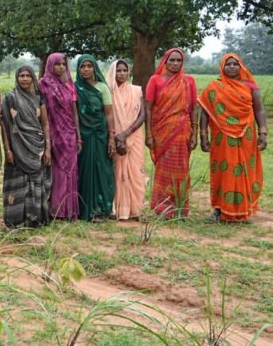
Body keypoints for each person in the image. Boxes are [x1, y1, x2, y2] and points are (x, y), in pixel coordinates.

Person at [199, 54, 267, 222]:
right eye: (227, 64)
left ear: (241, 66)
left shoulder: (251, 86)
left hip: (246, 135)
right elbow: (205, 112)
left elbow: (259, 110)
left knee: (245, 169)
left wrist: (263, 133)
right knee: (223, 170)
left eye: (234, 64)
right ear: (222, 67)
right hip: (222, 137)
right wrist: (203, 135)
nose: (231, 67)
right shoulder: (215, 86)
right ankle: (218, 209)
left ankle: (245, 210)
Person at [145, 48, 198, 218]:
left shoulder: (188, 81)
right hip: (161, 131)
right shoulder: (155, 80)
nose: (175, 64)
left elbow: (193, 109)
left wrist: (195, 133)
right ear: (165, 61)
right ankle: (162, 208)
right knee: (163, 170)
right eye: (172, 60)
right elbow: (148, 108)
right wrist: (148, 134)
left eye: (179, 61)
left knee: (181, 169)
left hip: (183, 131)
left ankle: (180, 208)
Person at [1, 66, 52, 228]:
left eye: (28, 76)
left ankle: (35, 218)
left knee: (36, 182)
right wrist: (7, 149)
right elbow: (4, 125)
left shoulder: (38, 97)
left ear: (33, 78)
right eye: (21, 76)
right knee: (16, 184)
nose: (24, 79)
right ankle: (15, 220)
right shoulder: (10, 98)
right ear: (17, 78)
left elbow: (44, 123)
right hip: (16, 147)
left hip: (36, 147)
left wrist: (48, 148)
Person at [38, 53, 80, 221]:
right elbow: (41, 110)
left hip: (69, 134)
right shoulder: (43, 84)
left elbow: (74, 113)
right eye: (57, 64)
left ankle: (70, 210)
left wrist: (78, 136)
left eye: (64, 64)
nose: (61, 67)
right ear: (50, 65)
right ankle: (56, 210)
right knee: (56, 171)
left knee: (71, 171)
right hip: (52, 133)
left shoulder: (69, 84)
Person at [75, 55, 115, 221]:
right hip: (82, 136)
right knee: (84, 171)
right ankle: (84, 208)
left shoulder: (102, 88)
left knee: (101, 170)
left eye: (89, 66)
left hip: (100, 135)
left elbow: (109, 114)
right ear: (78, 69)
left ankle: (100, 209)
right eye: (82, 66)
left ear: (94, 68)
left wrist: (111, 137)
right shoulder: (75, 87)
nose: (86, 69)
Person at [107, 60, 146, 220]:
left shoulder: (136, 91)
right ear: (113, 73)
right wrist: (116, 137)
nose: (122, 73)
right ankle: (117, 208)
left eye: (125, 70)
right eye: (119, 71)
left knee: (135, 173)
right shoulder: (108, 92)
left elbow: (143, 114)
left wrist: (126, 134)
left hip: (134, 137)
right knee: (116, 173)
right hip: (114, 138)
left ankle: (136, 209)